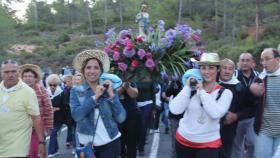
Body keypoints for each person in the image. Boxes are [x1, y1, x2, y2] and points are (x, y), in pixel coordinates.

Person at [169, 53, 233, 158]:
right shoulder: (191, 88)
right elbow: (175, 110)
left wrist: (202, 92)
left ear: (218, 70)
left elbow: (215, 113)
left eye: (211, 68)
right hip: (183, 140)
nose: (207, 72)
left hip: (208, 143)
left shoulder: (226, 93)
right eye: (203, 68)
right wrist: (187, 88)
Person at [70, 49, 126, 158]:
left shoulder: (109, 89)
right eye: (88, 67)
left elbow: (121, 118)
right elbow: (76, 116)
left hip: (111, 142)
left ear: (101, 71)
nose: (92, 71)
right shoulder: (76, 91)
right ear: (83, 70)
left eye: (96, 68)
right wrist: (95, 97)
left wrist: (111, 95)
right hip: (86, 145)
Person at [0, 60, 46, 158]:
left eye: (13, 71)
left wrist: (41, 141)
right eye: (6, 72)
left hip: (18, 148)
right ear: (1, 73)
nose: (10, 75)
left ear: (18, 72)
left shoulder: (28, 92)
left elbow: (36, 118)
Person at [250, 48, 280, 158]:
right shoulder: (262, 77)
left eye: (267, 59)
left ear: (277, 59)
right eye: (262, 60)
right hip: (264, 131)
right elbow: (253, 87)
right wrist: (252, 88)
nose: (264, 63)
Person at [19, 64, 54, 158]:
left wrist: (48, 126)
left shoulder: (42, 91)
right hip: (21, 129)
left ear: (35, 78)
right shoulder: (17, 91)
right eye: (25, 76)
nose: (27, 78)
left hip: (37, 128)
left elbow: (48, 109)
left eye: (30, 76)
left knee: (35, 152)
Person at [231, 53, 259, 158]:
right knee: (236, 145)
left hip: (252, 116)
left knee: (253, 142)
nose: (245, 63)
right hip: (235, 116)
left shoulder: (258, 76)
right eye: (242, 60)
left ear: (253, 63)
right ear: (238, 63)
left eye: (247, 60)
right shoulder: (232, 75)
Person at [218, 59, 246, 158]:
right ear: (219, 69)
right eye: (224, 68)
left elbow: (246, 109)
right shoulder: (212, 83)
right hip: (210, 126)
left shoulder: (239, 87)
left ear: (234, 71)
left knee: (225, 153)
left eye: (230, 69)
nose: (227, 71)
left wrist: (235, 116)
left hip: (229, 128)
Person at [118, 81, 141, 158]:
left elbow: (134, 95)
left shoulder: (131, 81)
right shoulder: (112, 79)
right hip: (118, 115)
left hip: (132, 114)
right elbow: (114, 95)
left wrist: (127, 86)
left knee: (132, 142)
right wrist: (122, 87)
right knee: (119, 142)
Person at [46, 74, 67, 158]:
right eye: (50, 84)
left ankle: (51, 152)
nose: (52, 86)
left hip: (59, 118)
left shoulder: (62, 93)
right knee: (53, 134)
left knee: (53, 133)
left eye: (54, 85)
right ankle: (57, 149)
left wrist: (57, 108)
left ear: (57, 84)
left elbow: (65, 105)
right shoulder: (46, 92)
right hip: (50, 118)